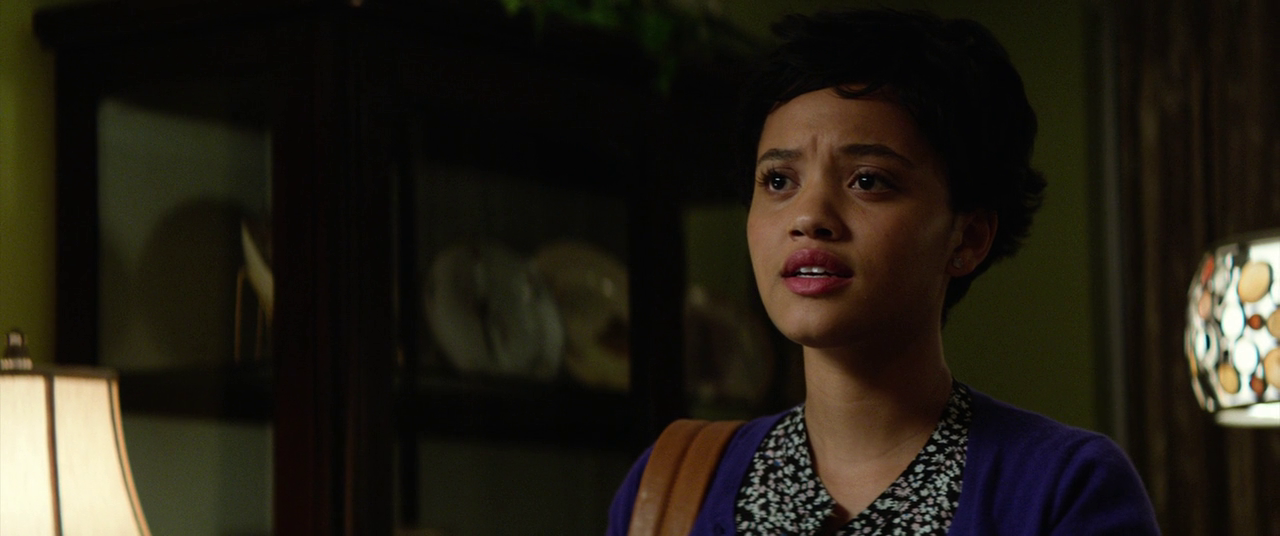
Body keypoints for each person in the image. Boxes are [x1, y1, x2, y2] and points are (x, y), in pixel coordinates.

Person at [607, 8, 1160, 536]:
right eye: (778, 181)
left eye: (868, 180)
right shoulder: (673, 485)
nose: (808, 216)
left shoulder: (1063, 489)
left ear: (967, 238)